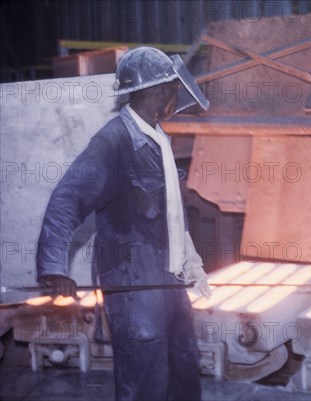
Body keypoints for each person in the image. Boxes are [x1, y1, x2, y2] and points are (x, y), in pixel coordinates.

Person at [36, 47, 211, 401]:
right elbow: (67, 198)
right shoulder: (114, 142)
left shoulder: (157, 138)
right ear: (159, 91)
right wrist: (54, 267)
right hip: (134, 287)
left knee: (183, 366)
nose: (177, 95)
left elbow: (171, 212)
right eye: (173, 88)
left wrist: (189, 258)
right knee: (145, 378)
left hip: (169, 281)